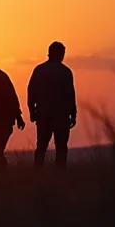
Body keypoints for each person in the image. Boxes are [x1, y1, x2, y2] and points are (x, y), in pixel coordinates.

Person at [27, 41, 76, 169]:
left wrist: (32, 111)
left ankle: (37, 172)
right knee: (61, 147)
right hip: (61, 115)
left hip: (44, 114)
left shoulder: (39, 70)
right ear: (58, 54)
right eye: (62, 53)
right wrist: (73, 113)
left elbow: (31, 91)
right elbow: (70, 94)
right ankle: (60, 174)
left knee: (41, 146)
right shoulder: (65, 72)